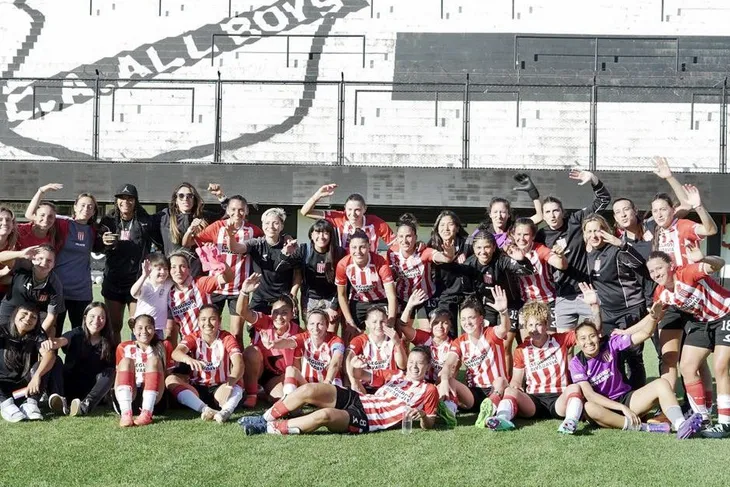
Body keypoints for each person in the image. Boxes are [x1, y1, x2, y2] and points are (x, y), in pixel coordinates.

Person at [569, 294, 704, 439]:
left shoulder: (610, 344)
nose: (589, 341)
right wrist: (621, 408)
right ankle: (646, 427)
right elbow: (590, 396)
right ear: (577, 342)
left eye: (592, 336)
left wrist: (653, 318)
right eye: (583, 338)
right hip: (605, 408)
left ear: (598, 336)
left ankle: (681, 425)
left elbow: (645, 333)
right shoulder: (576, 363)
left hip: (627, 399)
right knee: (589, 407)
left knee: (662, 384)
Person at [239, 346, 438, 436]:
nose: (413, 367)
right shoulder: (395, 375)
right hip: (359, 399)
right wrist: (356, 366)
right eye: (411, 362)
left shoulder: (429, 390)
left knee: (324, 415)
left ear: (427, 366)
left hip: (368, 418)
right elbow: (360, 374)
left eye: (419, 364)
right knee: (309, 388)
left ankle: (267, 429)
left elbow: (430, 422)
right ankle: (264, 418)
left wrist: (421, 416)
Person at [648, 249, 730, 437]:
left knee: (720, 367)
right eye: (651, 271)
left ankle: (726, 423)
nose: (655, 274)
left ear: (670, 266)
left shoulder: (687, 272)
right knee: (687, 366)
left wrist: (703, 259)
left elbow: (719, 264)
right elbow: (655, 315)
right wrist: (653, 315)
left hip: (726, 312)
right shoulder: (661, 293)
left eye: (659, 268)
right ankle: (702, 418)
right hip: (702, 322)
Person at [482, 300, 584, 434]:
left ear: (546, 324)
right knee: (510, 391)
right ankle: (501, 419)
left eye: (538, 324)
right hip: (534, 401)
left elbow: (588, 332)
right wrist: (515, 386)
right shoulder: (521, 349)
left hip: (559, 398)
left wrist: (594, 307)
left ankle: (570, 422)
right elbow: (516, 380)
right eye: (530, 325)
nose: (533, 329)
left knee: (575, 387)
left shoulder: (561, 339)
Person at [536, 169, 611, 329]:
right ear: (543, 215)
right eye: (547, 212)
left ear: (562, 212)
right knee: (563, 346)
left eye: (556, 210)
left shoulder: (575, 221)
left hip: (587, 292)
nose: (552, 215)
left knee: (594, 338)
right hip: (563, 296)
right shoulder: (541, 235)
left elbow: (604, 200)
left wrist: (593, 180)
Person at [24, 184, 99, 336]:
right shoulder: (62, 223)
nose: (86, 208)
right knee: (52, 333)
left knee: (82, 334)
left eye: (90, 206)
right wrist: (41, 191)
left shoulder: (95, 230)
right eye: (83, 205)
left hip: (81, 291)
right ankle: (52, 361)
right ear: (75, 207)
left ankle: (76, 361)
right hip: (58, 289)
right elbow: (30, 214)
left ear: (94, 211)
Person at [584, 214, 648, 389]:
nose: (593, 235)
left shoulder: (617, 250)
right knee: (613, 355)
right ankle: (621, 395)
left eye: (597, 230)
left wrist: (621, 243)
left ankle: (638, 397)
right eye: (589, 231)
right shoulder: (589, 254)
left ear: (606, 231)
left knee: (633, 355)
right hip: (608, 313)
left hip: (630, 309)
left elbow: (639, 264)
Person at [457, 230, 534, 371]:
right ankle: (488, 377)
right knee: (487, 343)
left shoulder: (502, 260)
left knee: (505, 343)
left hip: (510, 305)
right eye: (479, 248)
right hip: (486, 307)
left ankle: (510, 381)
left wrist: (522, 259)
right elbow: (468, 294)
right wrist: (477, 314)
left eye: (486, 247)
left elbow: (528, 271)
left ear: (493, 247)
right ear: (474, 249)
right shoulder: (469, 264)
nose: (483, 252)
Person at [438, 289, 511, 426]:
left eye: (471, 318)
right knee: (448, 379)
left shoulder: (490, 333)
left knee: (501, 381)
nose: (467, 322)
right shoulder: (460, 341)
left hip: (495, 389)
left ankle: (490, 407)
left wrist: (503, 312)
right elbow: (449, 364)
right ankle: (450, 412)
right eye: (463, 319)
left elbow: (504, 328)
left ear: (481, 319)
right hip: (473, 392)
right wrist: (444, 380)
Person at [196, 195, 263, 342]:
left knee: (236, 334)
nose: (237, 213)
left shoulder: (254, 231)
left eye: (241, 210)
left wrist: (287, 237)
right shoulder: (217, 227)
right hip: (217, 286)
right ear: (227, 209)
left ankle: (236, 364)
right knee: (210, 331)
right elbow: (197, 240)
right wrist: (207, 249)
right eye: (233, 209)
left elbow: (269, 240)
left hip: (239, 289)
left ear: (246, 211)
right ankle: (214, 363)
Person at [99, 184, 159, 344]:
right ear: (116, 200)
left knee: (138, 325)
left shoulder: (145, 220)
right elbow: (96, 245)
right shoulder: (108, 220)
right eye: (121, 198)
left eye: (130, 198)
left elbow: (160, 243)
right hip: (113, 280)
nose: (125, 201)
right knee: (113, 327)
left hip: (138, 281)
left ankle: (138, 362)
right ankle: (115, 363)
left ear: (135, 201)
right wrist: (102, 241)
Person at [166, 305, 244, 423]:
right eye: (203, 319)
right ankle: (206, 409)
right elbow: (176, 353)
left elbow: (239, 364)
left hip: (220, 386)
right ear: (198, 321)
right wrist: (188, 359)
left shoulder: (227, 338)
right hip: (197, 388)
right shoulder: (193, 337)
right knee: (170, 380)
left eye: (212, 319)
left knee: (238, 384)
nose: (207, 323)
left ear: (220, 320)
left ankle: (225, 412)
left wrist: (229, 385)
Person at [236, 274, 301, 408]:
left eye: (284, 312)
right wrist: (244, 292)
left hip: (277, 375)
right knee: (251, 351)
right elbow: (242, 312)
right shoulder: (265, 321)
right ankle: (251, 394)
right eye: (276, 312)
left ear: (292, 313)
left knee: (281, 399)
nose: (279, 317)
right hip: (258, 369)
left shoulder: (299, 332)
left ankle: (264, 393)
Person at [41, 302, 116, 416]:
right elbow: (62, 340)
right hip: (69, 386)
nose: (96, 321)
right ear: (85, 318)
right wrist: (51, 343)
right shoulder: (77, 333)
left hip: (90, 390)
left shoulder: (109, 342)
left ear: (106, 320)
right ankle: (59, 400)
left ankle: (85, 407)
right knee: (56, 360)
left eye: (101, 317)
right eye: (92, 316)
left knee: (110, 371)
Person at [228, 208, 302, 316]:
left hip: (284, 300)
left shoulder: (291, 246)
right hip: (260, 301)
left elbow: (297, 273)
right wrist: (230, 236)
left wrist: (293, 295)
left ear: (282, 226)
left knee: (289, 332)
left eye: (275, 223)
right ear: (262, 225)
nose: (271, 226)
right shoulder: (256, 244)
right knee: (257, 332)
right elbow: (236, 248)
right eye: (267, 223)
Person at [387, 213, 454, 328]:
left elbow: (445, 258)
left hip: (425, 296)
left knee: (427, 331)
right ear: (397, 238)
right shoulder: (392, 253)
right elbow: (390, 275)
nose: (404, 240)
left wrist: (448, 252)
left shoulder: (423, 251)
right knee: (403, 334)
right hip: (403, 297)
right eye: (401, 236)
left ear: (415, 237)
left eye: (408, 236)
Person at [150, 182, 227, 277]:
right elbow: (147, 225)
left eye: (189, 196)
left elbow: (227, 217)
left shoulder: (203, 217)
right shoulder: (165, 217)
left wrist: (221, 196)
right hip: (173, 273)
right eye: (181, 196)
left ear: (194, 199)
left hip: (197, 274)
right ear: (176, 200)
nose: (185, 199)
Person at [282, 219, 345, 333]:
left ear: (331, 235)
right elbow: (285, 266)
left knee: (330, 334)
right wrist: (286, 254)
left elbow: (343, 283)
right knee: (312, 333)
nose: (321, 236)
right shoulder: (304, 249)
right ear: (311, 234)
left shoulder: (339, 253)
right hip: (310, 299)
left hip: (332, 299)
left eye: (326, 233)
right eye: (317, 232)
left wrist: (334, 306)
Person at [0, 305, 61, 422]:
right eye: (24, 313)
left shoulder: (37, 334)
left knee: (48, 362)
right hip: (2, 388)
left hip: (24, 390)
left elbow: (49, 355)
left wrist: (37, 376)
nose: (28, 318)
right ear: (14, 315)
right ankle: (6, 405)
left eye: (33, 317)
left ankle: (30, 404)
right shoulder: (2, 330)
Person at [336, 230, 397, 344]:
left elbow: (391, 295)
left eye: (362, 247)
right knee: (350, 336)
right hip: (359, 301)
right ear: (349, 248)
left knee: (388, 337)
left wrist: (391, 320)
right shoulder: (343, 264)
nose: (358, 251)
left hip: (381, 300)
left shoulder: (380, 262)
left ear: (369, 247)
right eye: (354, 247)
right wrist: (349, 321)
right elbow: (341, 295)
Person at [269, 308, 346, 395]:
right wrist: (273, 343)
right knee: (290, 369)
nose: (315, 328)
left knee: (331, 399)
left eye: (320, 324)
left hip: (329, 386)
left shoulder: (336, 341)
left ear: (327, 326)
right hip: (308, 386)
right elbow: (287, 342)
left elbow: (336, 362)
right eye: (312, 324)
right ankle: (289, 400)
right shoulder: (305, 337)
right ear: (308, 326)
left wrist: (327, 382)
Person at [114, 314, 172, 427]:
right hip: (130, 395)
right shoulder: (123, 347)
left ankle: (146, 413)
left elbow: (167, 375)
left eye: (148, 327)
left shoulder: (163, 345)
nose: (144, 331)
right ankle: (125, 413)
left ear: (155, 330)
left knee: (153, 360)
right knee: (126, 361)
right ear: (133, 330)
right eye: (140, 328)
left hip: (155, 400)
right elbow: (118, 376)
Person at [300, 184, 394, 252]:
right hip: (344, 269)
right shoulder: (339, 217)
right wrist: (317, 196)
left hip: (369, 269)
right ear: (345, 208)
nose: (353, 214)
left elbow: (394, 243)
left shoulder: (376, 222)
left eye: (357, 210)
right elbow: (305, 212)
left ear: (364, 209)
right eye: (349, 209)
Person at [167, 251, 233, 345]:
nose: (178, 271)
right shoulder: (168, 294)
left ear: (189, 269)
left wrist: (222, 263)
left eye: (182, 266)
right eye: (173, 267)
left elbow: (228, 278)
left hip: (212, 341)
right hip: (189, 345)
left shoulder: (200, 283)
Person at [0, 245, 64, 337]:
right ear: (33, 259)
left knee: (50, 333)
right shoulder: (23, 266)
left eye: (49, 260)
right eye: (40, 258)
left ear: (54, 264)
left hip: (36, 314)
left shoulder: (55, 285)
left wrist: (38, 336)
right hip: (11, 307)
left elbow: (51, 316)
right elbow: (1, 257)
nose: (44, 263)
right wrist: (21, 254)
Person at [426, 210, 472, 337]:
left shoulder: (468, 244)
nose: (446, 228)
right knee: (447, 333)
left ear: (457, 228)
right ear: (437, 228)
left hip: (466, 294)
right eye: (442, 225)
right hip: (445, 295)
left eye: (450, 224)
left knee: (469, 333)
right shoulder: (432, 245)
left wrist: (468, 260)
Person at [510, 218, 567, 319]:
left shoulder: (539, 249)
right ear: (513, 235)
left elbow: (561, 265)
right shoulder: (510, 251)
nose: (521, 238)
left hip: (548, 300)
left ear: (533, 236)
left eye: (526, 235)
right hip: (526, 302)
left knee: (549, 334)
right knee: (526, 335)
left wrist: (561, 256)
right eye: (518, 234)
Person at [469, 173, 543, 247]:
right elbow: (468, 242)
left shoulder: (515, 226)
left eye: (503, 212)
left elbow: (539, 217)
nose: (499, 216)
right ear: (490, 214)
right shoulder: (482, 230)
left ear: (509, 214)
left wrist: (533, 193)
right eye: (495, 212)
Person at [346, 305, 407, 394]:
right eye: (374, 322)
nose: (378, 325)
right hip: (366, 386)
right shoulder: (360, 340)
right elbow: (348, 359)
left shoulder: (393, 339)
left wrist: (397, 343)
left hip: (390, 385)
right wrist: (354, 382)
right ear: (367, 324)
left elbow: (403, 365)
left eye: (382, 321)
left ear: (387, 322)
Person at [130, 254, 173, 339]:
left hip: (158, 328)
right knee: (140, 351)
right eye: (159, 269)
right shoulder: (146, 284)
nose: (163, 272)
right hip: (142, 329)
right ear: (150, 270)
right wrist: (144, 275)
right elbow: (133, 293)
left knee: (157, 351)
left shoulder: (167, 282)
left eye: (165, 269)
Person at [0, 206, 19, 301]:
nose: (4, 223)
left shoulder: (16, 246)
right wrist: (3, 272)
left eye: (8, 220)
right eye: (0, 219)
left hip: (7, 295)